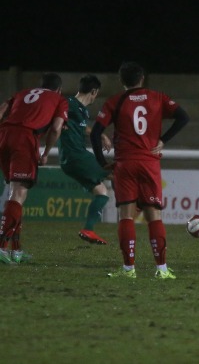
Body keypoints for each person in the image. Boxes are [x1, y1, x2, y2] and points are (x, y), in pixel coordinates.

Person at [90, 62, 189, 279]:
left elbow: (96, 132)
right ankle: (161, 269)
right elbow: (184, 117)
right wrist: (163, 140)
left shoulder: (114, 102)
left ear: (121, 80)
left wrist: (101, 161)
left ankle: (128, 269)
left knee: (126, 216)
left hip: (125, 163)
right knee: (154, 216)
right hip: (149, 162)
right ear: (142, 78)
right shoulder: (158, 97)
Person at [0, 73, 68, 264]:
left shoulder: (22, 93)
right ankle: (1, 246)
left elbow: (1, 110)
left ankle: (16, 250)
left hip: (4, 135)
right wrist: (46, 152)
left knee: (16, 194)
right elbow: (56, 128)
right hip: (25, 138)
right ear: (59, 89)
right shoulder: (59, 99)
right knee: (18, 193)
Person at [58, 74, 112, 245]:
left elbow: (81, 127)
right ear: (94, 91)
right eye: (97, 93)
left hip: (71, 159)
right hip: (76, 156)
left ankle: (88, 229)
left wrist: (100, 135)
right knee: (115, 172)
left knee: (102, 191)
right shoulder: (68, 104)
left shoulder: (81, 110)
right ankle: (139, 203)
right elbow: (56, 117)